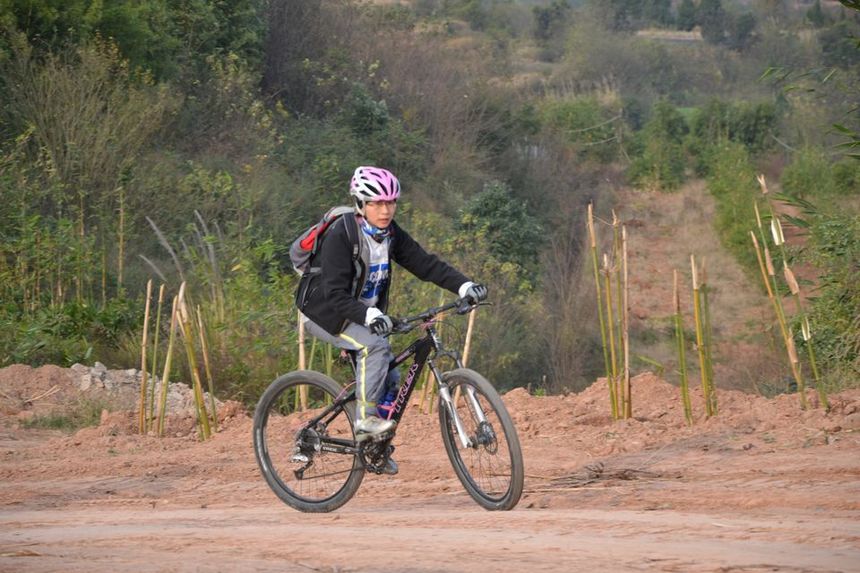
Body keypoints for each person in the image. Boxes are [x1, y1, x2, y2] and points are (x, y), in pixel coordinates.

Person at [298, 166, 487, 474]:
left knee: (390, 374)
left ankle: (375, 447)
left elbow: (425, 264)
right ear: (361, 204)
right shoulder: (341, 235)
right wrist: (370, 315)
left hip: (362, 314)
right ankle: (365, 423)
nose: (385, 210)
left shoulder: (390, 234)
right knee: (374, 347)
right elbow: (334, 294)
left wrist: (464, 286)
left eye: (391, 202)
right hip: (325, 313)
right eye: (376, 203)